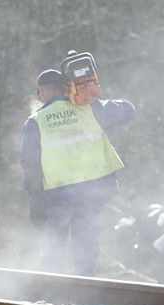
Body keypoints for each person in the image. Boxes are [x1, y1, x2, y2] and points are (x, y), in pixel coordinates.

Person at [20, 68, 135, 276]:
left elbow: (30, 166)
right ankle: (84, 297)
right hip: (91, 196)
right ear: (66, 87)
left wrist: (34, 202)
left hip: (54, 198)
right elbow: (128, 110)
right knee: (86, 249)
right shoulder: (90, 109)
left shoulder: (35, 122)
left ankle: (49, 297)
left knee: (52, 249)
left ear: (42, 92)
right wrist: (92, 94)